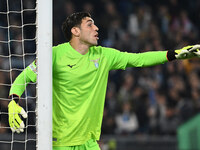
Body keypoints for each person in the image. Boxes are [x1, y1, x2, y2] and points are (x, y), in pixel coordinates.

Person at [7, 12, 200, 150]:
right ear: (75, 31)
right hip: (59, 143)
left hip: (90, 142)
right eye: (90, 24)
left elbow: (139, 59)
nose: (96, 28)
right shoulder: (55, 54)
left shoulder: (104, 55)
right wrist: (13, 101)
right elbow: (24, 77)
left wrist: (174, 54)